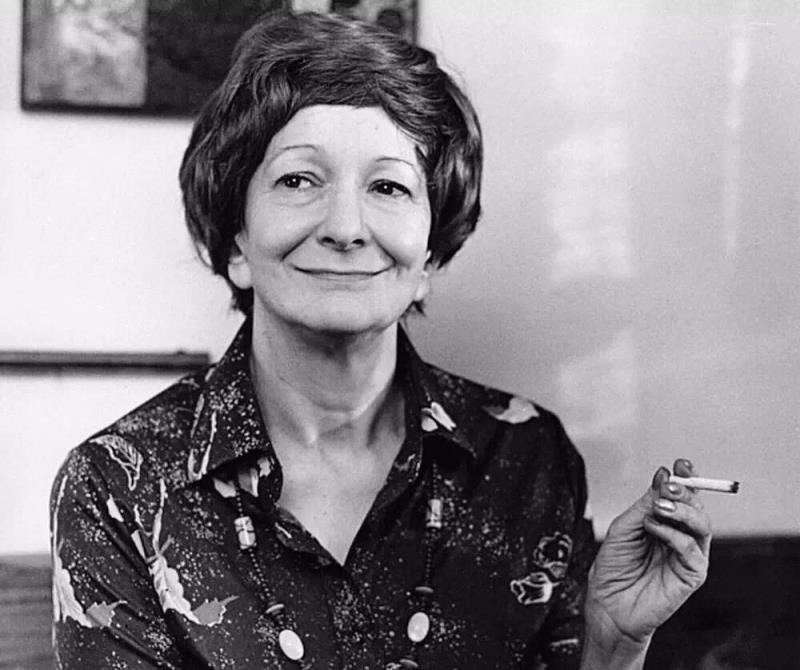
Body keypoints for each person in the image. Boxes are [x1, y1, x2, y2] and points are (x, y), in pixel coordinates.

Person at [50, 10, 712, 670]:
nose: (345, 227)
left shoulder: (525, 460)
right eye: (298, 180)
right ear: (236, 243)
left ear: (429, 254)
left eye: (389, 186)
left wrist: (614, 646)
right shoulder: (118, 486)